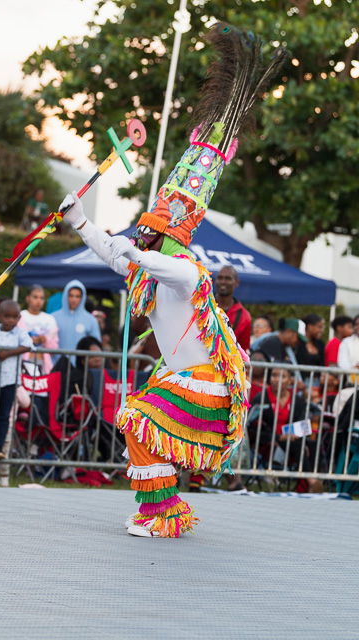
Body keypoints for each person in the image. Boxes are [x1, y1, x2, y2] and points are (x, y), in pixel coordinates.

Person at [59, 22, 285, 537]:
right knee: (139, 424)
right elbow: (118, 257)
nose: (147, 235)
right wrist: (80, 221)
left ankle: (160, 515)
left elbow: (156, 264)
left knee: (137, 418)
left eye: (154, 231)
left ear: (169, 233)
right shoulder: (150, 267)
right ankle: (162, 511)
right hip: (181, 379)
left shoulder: (186, 271)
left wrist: (136, 252)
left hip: (205, 383)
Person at [0, 300, 33, 459]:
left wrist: (7, 353)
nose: (10, 320)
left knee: (4, 415)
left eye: (14, 317)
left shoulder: (21, 333)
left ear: (19, 318)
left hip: (10, 380)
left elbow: (28, 346)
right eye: (7, 316)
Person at [51, 279, 101, 353]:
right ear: (65, 296)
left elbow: (96, 345)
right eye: (71, 295)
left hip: (80, 364)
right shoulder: (53, 318)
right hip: (56, 363)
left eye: (77, 296)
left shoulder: (91, 320)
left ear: (82, 298)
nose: (74, 299)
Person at [17, 284, 59, 372]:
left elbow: (55, 345)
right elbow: (16, 338)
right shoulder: (20, 316)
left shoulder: (49, 319)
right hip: (23, 362)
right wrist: (29, 340)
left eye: (41, 298)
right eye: (35, 297)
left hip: (44, 363)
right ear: (27, 298)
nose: (38, 301)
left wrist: (45, 339)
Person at [214, 265, 251, 351]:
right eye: (220, 278)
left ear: (237, 283)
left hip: (230, 362)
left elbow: (243, 349)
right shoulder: (203, 306)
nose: (223, 282)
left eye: (228, 278)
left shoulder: (244, 316)